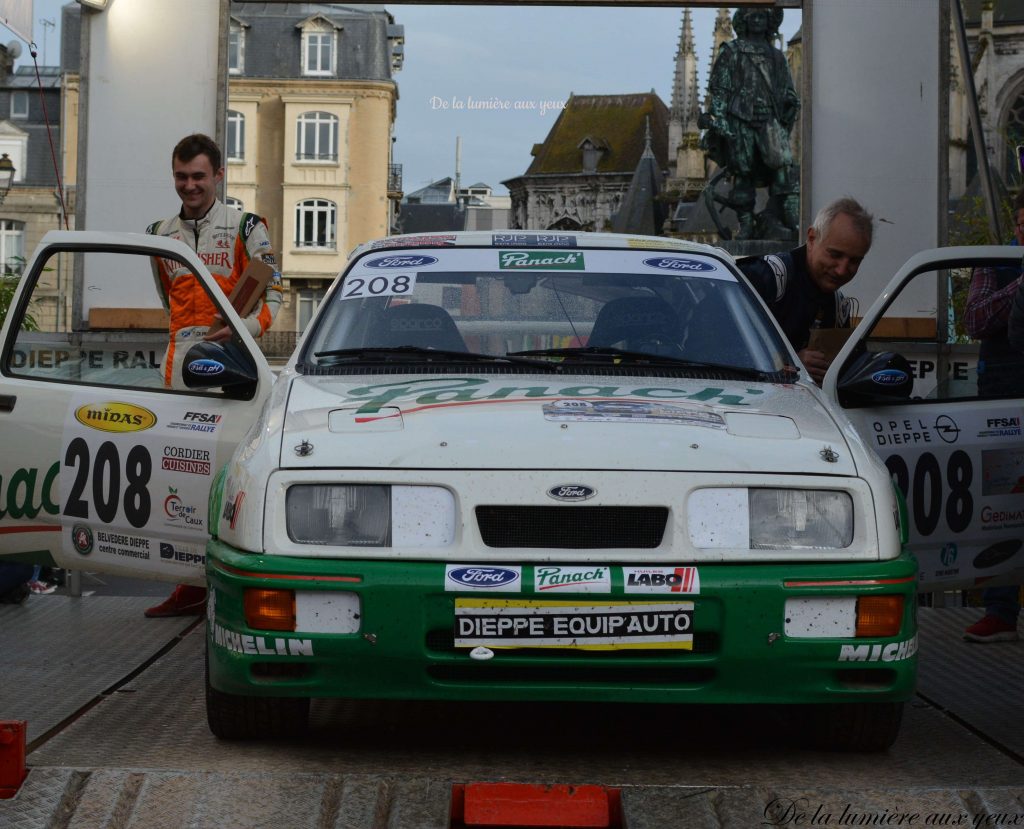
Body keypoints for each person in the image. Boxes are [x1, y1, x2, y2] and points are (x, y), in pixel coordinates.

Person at [143, 133, 283, 618]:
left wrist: (237, 331)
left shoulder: (247, 227)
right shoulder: (158, 233)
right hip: (179, 367)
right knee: (176, 476)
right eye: (181, 177)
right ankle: (187, 584)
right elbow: (167, 301)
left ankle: (228, 584)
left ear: (218, 175)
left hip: (231, 365)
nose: (190, 185)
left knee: (225, 475)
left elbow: (275, 300)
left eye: (199, 176)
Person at [961, 192, 1024, 643]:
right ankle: (1000, 611)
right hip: (1001, 409)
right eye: (1021, 222)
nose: (1023, 231)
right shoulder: (994, 261)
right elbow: (976, 318)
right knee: (1004, 507)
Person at [737, 196, 874, 384]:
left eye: (854, 261)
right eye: (835, 255)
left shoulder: (839, 307)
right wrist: (788, 364)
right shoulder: (766, 276)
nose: (842, 269)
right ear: (811, 238)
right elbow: (715, 346)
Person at [701, 7, 801, 239]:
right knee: (742, 173)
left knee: (783, 167)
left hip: (768, 119)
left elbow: (787, 89)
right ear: (744, 21)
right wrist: (719, 119)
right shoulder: (732, 51)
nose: (758, 20)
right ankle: (746, 225)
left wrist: (790, 103)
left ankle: (791, 221)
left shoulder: (775, 56)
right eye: (753, 16)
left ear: (769, 22)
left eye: (762, 16)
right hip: (741, 119)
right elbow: (720, 89)